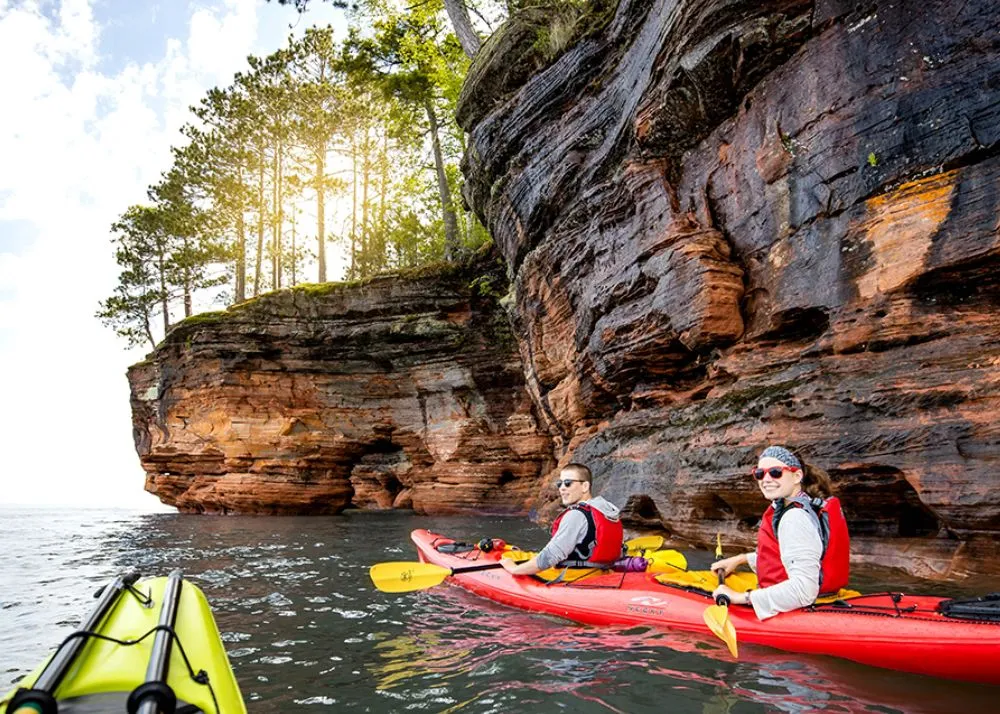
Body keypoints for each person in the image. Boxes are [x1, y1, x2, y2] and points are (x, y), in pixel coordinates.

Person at [711, 445, 850, 620]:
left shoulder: (794, 518)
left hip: (807, 603)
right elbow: (784, 555)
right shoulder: (807, 504)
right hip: (825, 596)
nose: (766, 479)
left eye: (776, 472)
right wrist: (741, 559)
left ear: (797, 476)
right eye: (760, 473)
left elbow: (804, 590)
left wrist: (741, 597)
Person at [500, 463, 623, 576]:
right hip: (603, 573)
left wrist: (514, 569)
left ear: (585, 486)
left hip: (576, 577)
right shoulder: (606, 510)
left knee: (512, 561)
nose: (562, 488)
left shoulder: (576, 515)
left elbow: (549, 557)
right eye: (560, 483)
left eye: (568, 483)